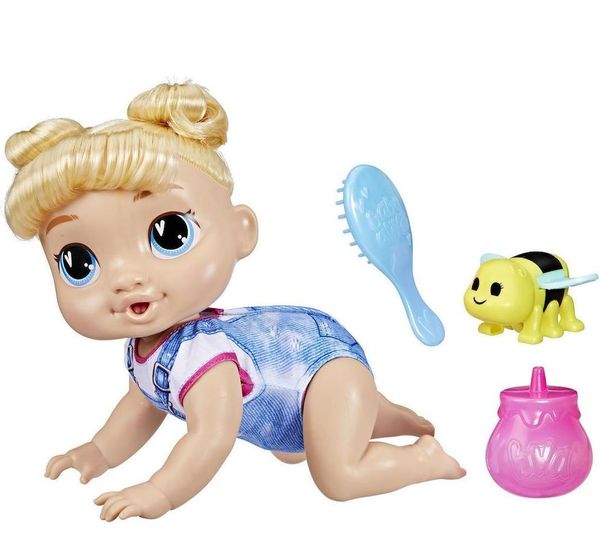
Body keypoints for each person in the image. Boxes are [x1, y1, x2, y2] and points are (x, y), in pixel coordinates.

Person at [4, 82, 465, 521]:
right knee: (306, 444)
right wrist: (100, 452)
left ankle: (425, 459)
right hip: (297, 405)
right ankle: (394, 419)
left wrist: (160, 491)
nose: (126, 278)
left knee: (339, 476)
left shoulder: (205, 357)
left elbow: (211, 435)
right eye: (79, 262)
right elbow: (141, 405)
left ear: (240, 230)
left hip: (322, 371)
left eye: (169, 233)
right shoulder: (147, 351)